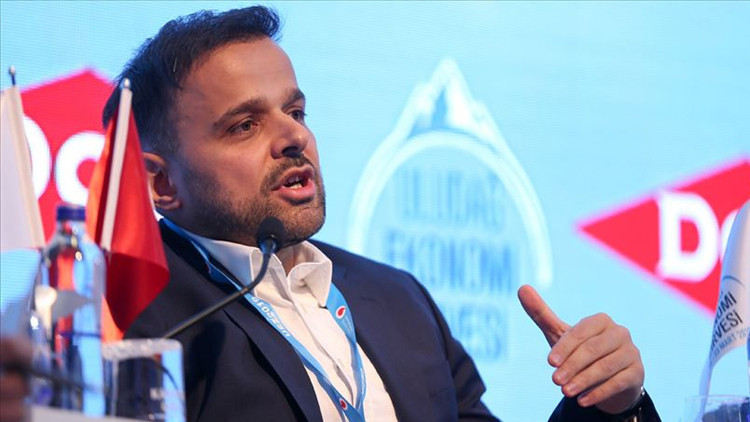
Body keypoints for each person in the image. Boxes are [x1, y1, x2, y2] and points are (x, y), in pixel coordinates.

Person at [100, 6, 660, 422]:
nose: (294, 137)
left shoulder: (398, 300)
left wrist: (609, 407)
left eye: (296, 111)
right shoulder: (129, 316)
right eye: (245, 125)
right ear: (161, 183)